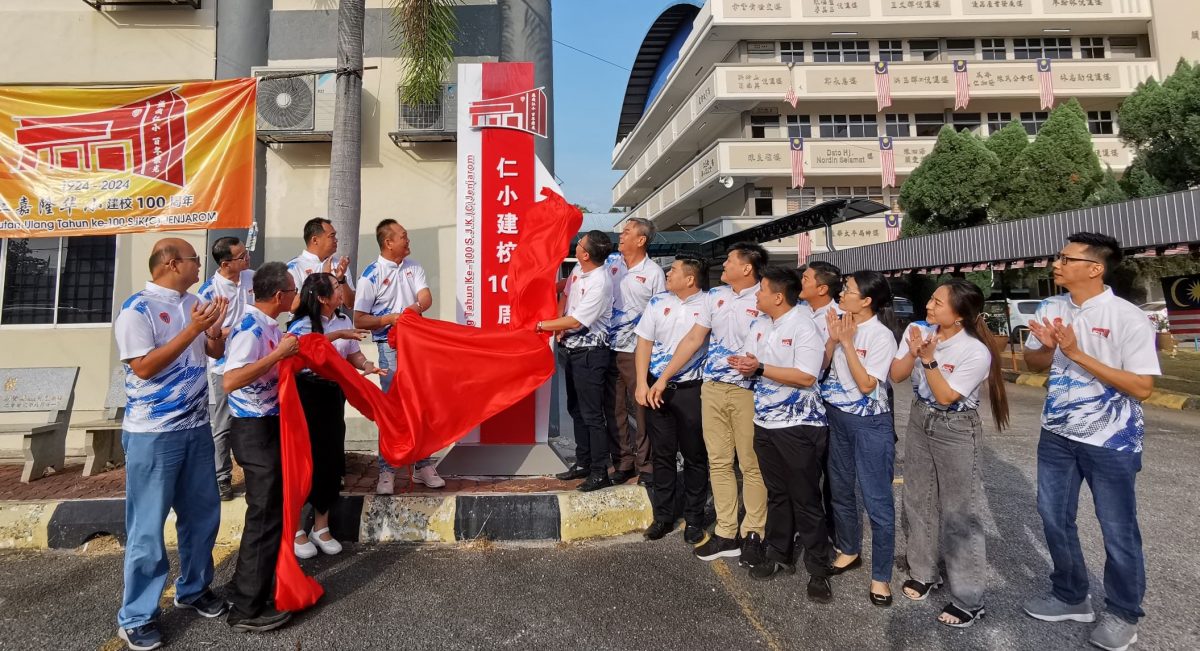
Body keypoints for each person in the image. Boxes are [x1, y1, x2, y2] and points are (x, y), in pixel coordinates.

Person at [1020, 233, 1159, 651]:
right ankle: (1069, 595)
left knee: (1117, 529)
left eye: (1066, 258)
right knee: (1053, 516)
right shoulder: (1051, 307)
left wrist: (1078, 353)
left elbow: (1142, 387)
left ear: (1094, 268)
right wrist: (1047, 349)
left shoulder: (1127, 317)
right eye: (1057, 257)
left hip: (1111, 440)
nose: (1056, 264)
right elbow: (1034, 361)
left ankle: (1123, 612)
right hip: (1057, 434)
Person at [114, 238, 229, 651]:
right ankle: (137, 616)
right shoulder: (137, 309)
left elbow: (212, 352)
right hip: (153, 435)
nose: (201, 266)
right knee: (147, 528)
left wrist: (214, 332)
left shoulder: (194, 302)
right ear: (170, 262)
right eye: (195, 260)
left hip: (196, 428)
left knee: (202, 517)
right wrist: (194, 329)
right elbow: (143, 368)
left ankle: (194, 588)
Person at [890, 278, 1010, 628]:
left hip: (955, 428)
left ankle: (969, 599)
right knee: (917, 499)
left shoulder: (975, 351)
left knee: (959, 512)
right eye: (931, 299)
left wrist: (928, 361)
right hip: (919, 419)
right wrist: (913, 352)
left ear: (959, 316)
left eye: (938, 303)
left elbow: (946, 397)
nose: (929, 306)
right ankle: (925, 572)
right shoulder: (917, 330)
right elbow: (896, 376)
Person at [653, 242, 769, 566]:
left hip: (749, 390)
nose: (725, 265)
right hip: (713, 389)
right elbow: (693, 339)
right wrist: (663, 377)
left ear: (747, 268)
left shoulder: (766, 297)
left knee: (750, 464)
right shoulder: (715, 297)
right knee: (719, 462)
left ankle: (754, 533)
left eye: (731, 260)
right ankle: (727, 531)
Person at [729, 266, 835, 603]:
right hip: (765, 423)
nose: (756, 296)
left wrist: (758, 368)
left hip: (799, 426)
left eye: (761, 291)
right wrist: (746, 364)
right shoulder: (761, 323)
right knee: (777, 493)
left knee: (805, 498)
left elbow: (806, 376)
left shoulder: (803, 325)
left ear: (778, 296)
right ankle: (779, 552)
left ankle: (819, 569)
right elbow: (752, 359)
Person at [222, 262, 301, 633]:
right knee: (263, 514)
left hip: (269, 425)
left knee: (271, 512)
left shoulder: (270, 326)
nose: (294, 295)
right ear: (279, 295)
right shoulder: (251, 328)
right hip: (252, 430)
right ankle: (245, 610)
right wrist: (278, 356)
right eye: (292, 290)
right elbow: (231, 380)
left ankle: (254, 589)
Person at [288, 273, 386, 559]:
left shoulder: (344, 321)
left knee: (331, 459)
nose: (341, 292)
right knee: (304, 460)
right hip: (306, 396)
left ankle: (321, 526)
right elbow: (306, 349)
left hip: (332, 396)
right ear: (321, 297)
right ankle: (296, 528)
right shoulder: (301, 325)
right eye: (335, 288)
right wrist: (337, 336)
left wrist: (367, 365)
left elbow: (352, 354)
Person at [819, 269, 899, 606]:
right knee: (839, 491)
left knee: (877, 501)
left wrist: (847, 343)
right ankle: (849, 549)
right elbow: (821, 368)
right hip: (837, 419)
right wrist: (833, 339)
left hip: (870, 424)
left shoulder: (880, 336)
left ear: (866, 301)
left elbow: (868, 385)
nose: (841, 293)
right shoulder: (840, 323)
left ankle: (881, 577)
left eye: (848, 290)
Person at [352, 219, 439, 493]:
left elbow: (425, 298)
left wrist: (411, 310)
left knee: (419, 404)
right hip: (388, 349)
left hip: (417, 347)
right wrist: (390, 319)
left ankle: (422, 465)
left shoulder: (414, 267)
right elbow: (359, 319)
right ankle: (387, 470)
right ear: (388, 243)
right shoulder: (370, 276)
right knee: (393, 409)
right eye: (403, 237)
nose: (408, 240)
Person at [633, 257, 708, 544]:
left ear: (690, 279)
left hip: (690, 390)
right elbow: (644, 342)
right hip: (655, 390)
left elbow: (694, 343)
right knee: (662, 455)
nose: (668, 273)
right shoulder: (657, 303)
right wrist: (642, 382)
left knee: (694, 457)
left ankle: (694, 518)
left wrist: (661, 380)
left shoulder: (707, 305)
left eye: (674, 270)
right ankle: (663, 516)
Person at [539, 230, 614, 492]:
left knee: (593, 415)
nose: (576, 245)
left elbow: (576, 321)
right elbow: (564, 294)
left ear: (585, 253)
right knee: (576, 410)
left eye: (580, 244)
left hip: (591, 353)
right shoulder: (578, 272)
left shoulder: (600, 281)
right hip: (572, 350)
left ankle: (599, 470)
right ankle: (583, 462)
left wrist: (541, 325)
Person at [605, 217, 666, 486]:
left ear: (641, 240)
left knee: (642, 410)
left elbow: (661, 314)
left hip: (637, 352)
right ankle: (623, 461)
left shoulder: (653, 272)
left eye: (627, 232)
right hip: (607, 347)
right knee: (614, 408)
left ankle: (647, 464)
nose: (621, 235)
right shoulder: (610, 264)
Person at [197, 236, 255, 501]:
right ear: (225, 263)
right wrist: (237, 329)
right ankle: (221, 478)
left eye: (246, 253)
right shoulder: (208, 293)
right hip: (224, 367)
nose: (247, 258)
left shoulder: (253, 278)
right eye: (242, 256)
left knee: (254, 421)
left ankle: (255, 474)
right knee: (223, 424)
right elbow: (209, 334)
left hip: (254, 363)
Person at [798, 260, 843, 538]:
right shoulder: (799, 312)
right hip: (802, 400)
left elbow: (822, 364)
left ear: (822, 288)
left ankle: (832, 528)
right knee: (806, 468)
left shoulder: (838, 317)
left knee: (832, 469)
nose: (801, 282)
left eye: (806, 278)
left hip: (829, 400)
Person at [287, 217, 355, 311]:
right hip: (306, 324)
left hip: (334, 323)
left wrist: (341, 279)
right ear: (315, 240)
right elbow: (292, 307)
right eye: (332, 236)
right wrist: (322, 279)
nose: (336, 240)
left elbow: (350, 305)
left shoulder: (339, 265)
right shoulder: (294, 267)